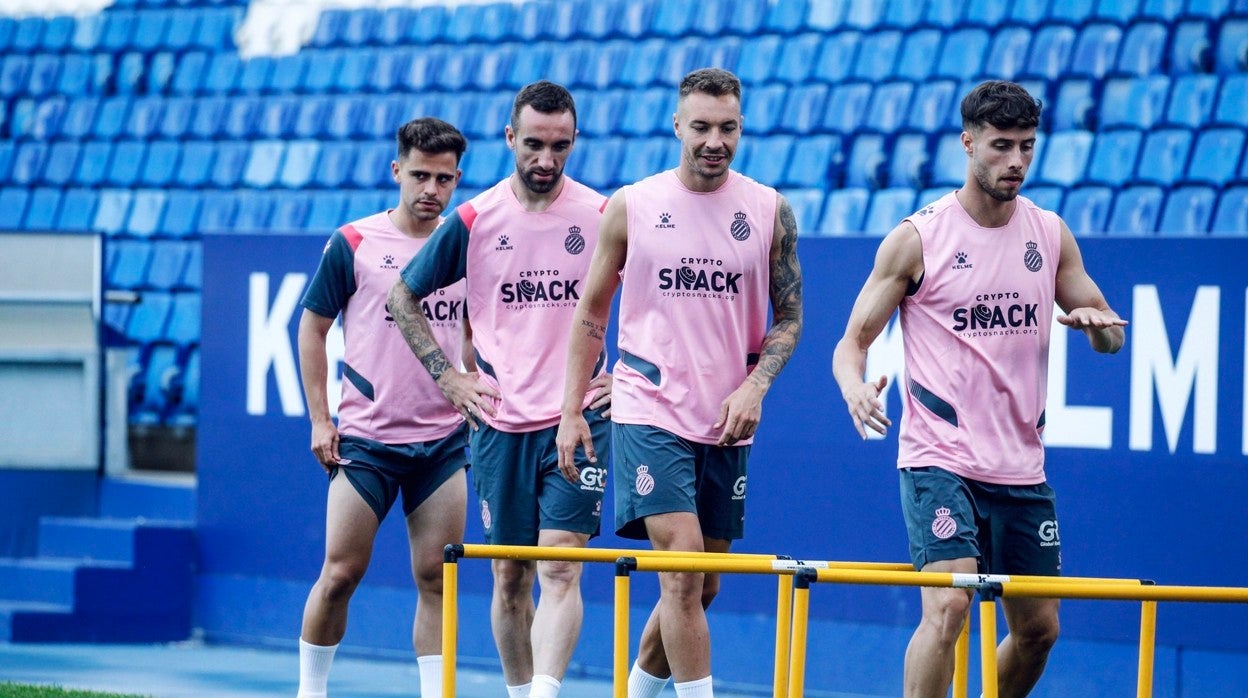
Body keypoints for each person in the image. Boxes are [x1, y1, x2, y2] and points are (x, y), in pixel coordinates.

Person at [832, 80, 1128, 698]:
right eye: (1000, 146)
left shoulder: (1049, 234)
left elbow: (1110, 337)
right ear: (967, 144)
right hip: (941, 458)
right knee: (949, 607)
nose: (1015, 161)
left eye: (1026, 146)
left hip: (1021, 465)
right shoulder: (919, 238)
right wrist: (855, 388)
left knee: (1040, 631)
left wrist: (1099, 332)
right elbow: (851, 343)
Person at [557, 67, 804, 698]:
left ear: (742, 127)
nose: (714, 140)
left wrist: (756, 388)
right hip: (648, 410)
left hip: (725, 418)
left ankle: (635, 691)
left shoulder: (771, 210)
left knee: (703, 583)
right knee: (684, 577)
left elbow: (791, 316)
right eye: (701, 127)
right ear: (677, 126)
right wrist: (570, 410)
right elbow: (590, 312)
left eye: (727, 128)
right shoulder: (632, 206)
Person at [388, 81, 611, 698]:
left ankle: (545, 693)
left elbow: (660, 300)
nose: (546, 159)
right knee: (510, 576)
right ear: (511, 138)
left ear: (573, 142)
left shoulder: (601, 215)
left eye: (560, 146)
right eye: (534, 144)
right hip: (499, 423)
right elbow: (401, 295)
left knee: (562, 565)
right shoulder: (474, 219)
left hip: (578, 417)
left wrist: (636, 372)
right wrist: (447, 376)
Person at [295, 118, 471, 698]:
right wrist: (322, 418)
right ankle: (310, 691)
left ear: (456, 180)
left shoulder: (467, 245)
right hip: (367, 442)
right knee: (341, 574)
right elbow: (312, 328)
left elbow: (479, 335)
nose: (431, 189)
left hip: (442, 445)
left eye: (444, 179)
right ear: (396, 171)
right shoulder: (354, 243)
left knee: (435, 580)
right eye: (420, 175)